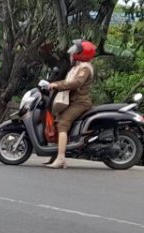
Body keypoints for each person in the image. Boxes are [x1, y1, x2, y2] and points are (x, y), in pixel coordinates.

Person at [46, 40, 96, 169]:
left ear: (82, 54)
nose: (73, 52)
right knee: (58, 122)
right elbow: (68, 81)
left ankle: (61, 158)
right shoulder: (77, 66)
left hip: (80, 102)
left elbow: (76, 83)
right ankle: (55, 155)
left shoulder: (85, 68)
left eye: (76, 51)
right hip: (72, 101)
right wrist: (52, 83)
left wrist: (57, 85)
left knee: (63, 123)